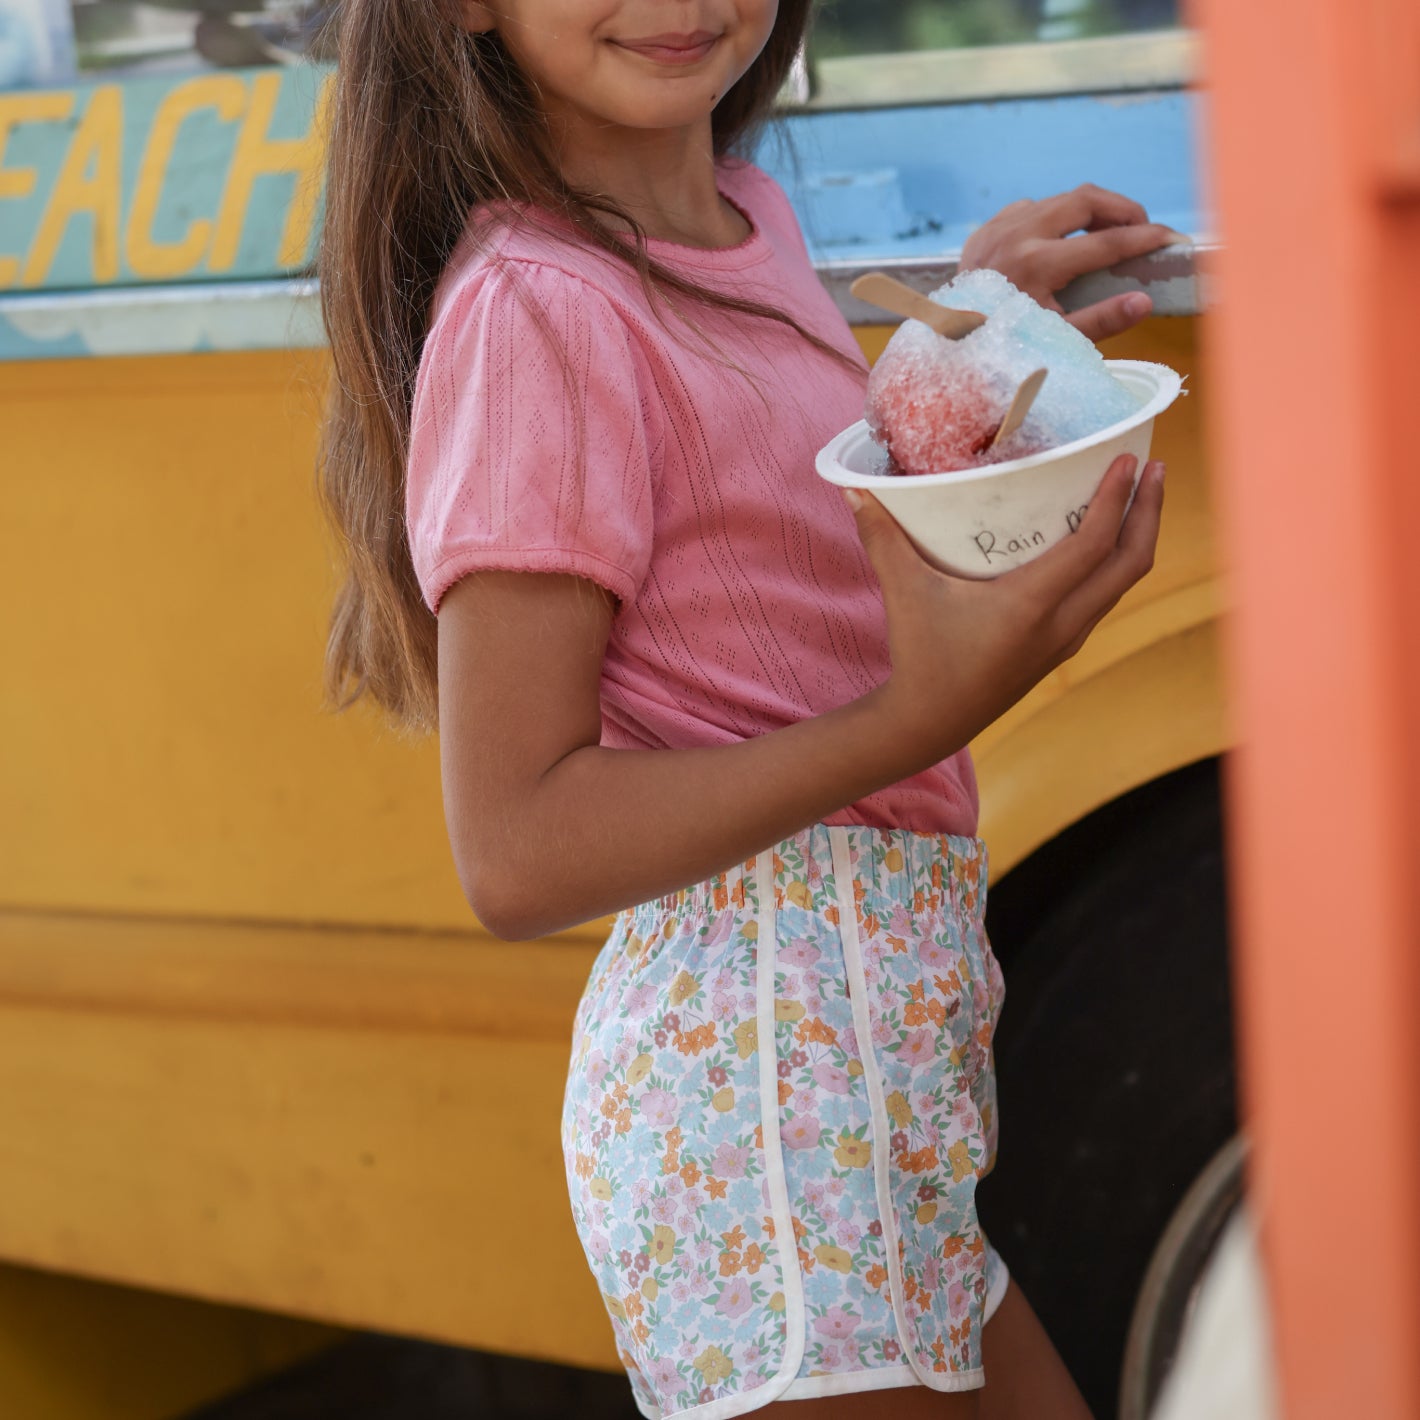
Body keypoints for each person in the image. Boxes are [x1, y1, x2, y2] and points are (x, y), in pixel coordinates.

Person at [317, 4, 1173, 1417]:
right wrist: (920, 717)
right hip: (764, 1111)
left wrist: (964, 344)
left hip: (875, 1093)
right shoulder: (539, 306)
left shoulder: (742, 219)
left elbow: (765, 555)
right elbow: (517, 850)